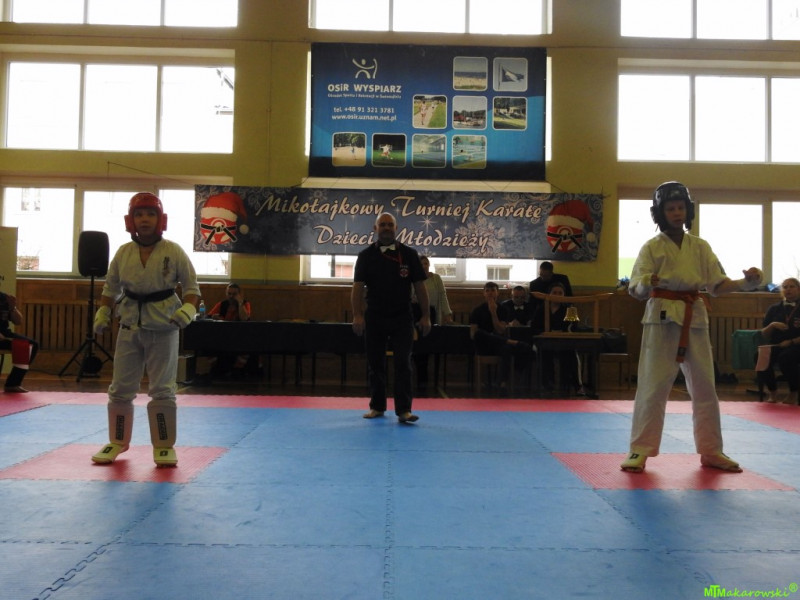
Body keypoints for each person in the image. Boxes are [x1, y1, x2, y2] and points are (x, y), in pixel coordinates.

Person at [620, 181, 763, 474]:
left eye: (680, 207)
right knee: (653, 385)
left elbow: (717, 286)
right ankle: (639, 449)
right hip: (661, 317)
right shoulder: (652, 247)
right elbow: (635, 287)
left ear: (688, 210)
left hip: (694, 316)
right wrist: (647, 282)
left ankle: (712, 450)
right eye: (670, 208)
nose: (676, 213)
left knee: (705, 386)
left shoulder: (700, 247)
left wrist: (747, 283)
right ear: (660, 213)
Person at [91, 192, 200, 467]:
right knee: (120, 388)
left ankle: (163, 445)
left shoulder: (174, 251)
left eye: (151, 214)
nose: (145, 219)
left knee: (162, 389)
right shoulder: (123, 252)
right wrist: (104, 312)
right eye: (139, 214)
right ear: (131, 220)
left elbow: (192, 289)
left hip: (164, 326)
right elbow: (110, 288)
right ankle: (117, 441)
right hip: (129, 325)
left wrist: (187, 310)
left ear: (160, 219)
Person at [351, 212, 431, 423]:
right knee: (375, 363)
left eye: (390, 225)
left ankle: (404, 410)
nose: (386, 228)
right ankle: (377, 406)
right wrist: (357, 315)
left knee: (403, 362)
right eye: (382, 225)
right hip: (375, 316)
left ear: (396, 228)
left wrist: (426, 315)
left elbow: (420, 287)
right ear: (375, 228)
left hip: (402, 317)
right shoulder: (365, 256)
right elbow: (357, 288)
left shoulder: (409, 254)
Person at [469, 281, 533, 392]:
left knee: (506, 349)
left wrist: (493, 313)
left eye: (493, 290)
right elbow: (473, 335)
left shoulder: (503, 309)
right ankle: (510, 341)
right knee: (479, 333)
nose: (490, 293)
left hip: (498, 344)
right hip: (483, 345)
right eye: (487, 291)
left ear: (497, 293)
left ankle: (502, 383)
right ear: (484, 293)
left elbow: (500, 330)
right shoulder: (477, 310)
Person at [530, 281, 581, 393]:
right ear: (549, 294)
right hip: (545, 342)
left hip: (564, 342)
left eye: (560, 293)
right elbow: (534, 327)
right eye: (554, 292)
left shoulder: (570, 309)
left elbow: (574, 328)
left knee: (571, 354)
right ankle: (547, 385)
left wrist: (562, 332)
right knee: (543, 354)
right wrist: (545, 333)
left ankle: (574, 385)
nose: (557, 295)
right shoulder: (541, 308)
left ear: (564, 294)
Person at [412, 256, 453, 390]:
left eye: (426, 263)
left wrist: (447, 314)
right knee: (416, 349)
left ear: (429, 265)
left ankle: (424, 380)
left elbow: (443, 296)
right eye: (421, 264)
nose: (423, 266)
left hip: (432, 316)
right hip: (415, 317)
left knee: (427, 348)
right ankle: (417, 379)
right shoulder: (412, 278)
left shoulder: (436, 278)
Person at [758, 277, 800, 405]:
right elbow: (764, 334)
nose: (788, 289)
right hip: (777, 344)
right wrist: (772, 325)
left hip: (796, 345)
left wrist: (791, 342)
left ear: (799, 289)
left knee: (785, 358)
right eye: (785, 287)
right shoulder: (774, 308)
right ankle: (772, 391)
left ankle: (793, 392)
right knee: (760, 357)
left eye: (791, 286)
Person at [204, 282, 258, 379]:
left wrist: (240, 303)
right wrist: (214, 317)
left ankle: (237, 370)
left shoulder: (245, 304)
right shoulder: (222, 304)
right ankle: (216, 368)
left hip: (240, 337)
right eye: (229, 294)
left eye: (234, 294)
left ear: (239, 294)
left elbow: (245, 318)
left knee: (249, 345)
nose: (231, 296)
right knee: (206, 344)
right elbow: (208, 317)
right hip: (222, 337)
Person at [0, 290, 38, 393]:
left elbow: (18, 321)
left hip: (4, 334)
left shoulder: (4, 298)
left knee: (30, 345)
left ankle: (13, 384)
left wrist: (13, 307)